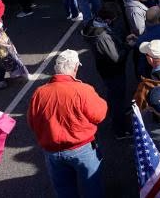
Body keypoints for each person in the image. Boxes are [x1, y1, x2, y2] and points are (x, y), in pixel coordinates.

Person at [27, 49, 107, 198]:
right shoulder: (83, 90)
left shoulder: (39, 93)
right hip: (82, 149)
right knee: (92, 187)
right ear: (75, 67)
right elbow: (100, 115)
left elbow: (32, 122)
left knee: (64, 191)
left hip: (52, 151)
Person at [81, 7, 131, 140]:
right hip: (113, 70)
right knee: (117, 99)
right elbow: (116, 57)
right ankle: (120, 130)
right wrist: (128, 46)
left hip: (104, 68)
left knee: (113, 94)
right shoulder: (103, 36)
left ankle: (115, 114)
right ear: (108, 20)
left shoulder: (92, 24)